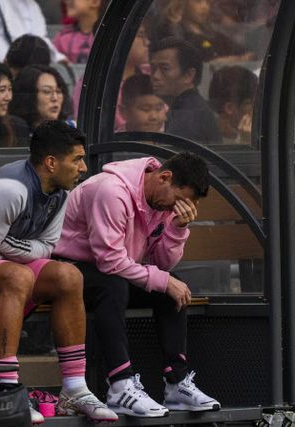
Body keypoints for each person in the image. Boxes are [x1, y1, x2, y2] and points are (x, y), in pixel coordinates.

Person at [0, 121, 119, 424]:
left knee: (68, 276)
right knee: (18, 276)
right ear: (51, 163)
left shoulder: (60, 192)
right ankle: (7, 387)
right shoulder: (10, 190)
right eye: (77, 159)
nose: (83, 168)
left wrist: (3, 245)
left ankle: (75, 388)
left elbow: (46, 248)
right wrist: (14, 251)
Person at [53, 152, 220, 417]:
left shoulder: (162, 203)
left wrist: (177, 229)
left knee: (172, 289)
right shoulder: (112, 191)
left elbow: (161, 264)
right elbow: (109, 260)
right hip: (65, 270)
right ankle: (120, 386)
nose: (175, 208)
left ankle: (177, 383)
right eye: (178, 200)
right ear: (164, 177)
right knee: (115, 285)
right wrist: (162, 280)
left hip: (111, 272)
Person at [150, 37, 222, 144]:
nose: (155, 76)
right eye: (153, 68)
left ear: (188, 75)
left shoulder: (186, 116)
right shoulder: (191, 107)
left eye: (164, 68)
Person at [9, 64, 71, 138]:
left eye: (59, 91)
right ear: (28, 97)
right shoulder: (12, 134)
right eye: (47, 91)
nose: (55, 98)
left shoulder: (71, 131)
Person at [208, 65, 258, 145]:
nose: (257, 110)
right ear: (230, 108)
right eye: (251, 103)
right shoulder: (209, 141)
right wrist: (246, 142)